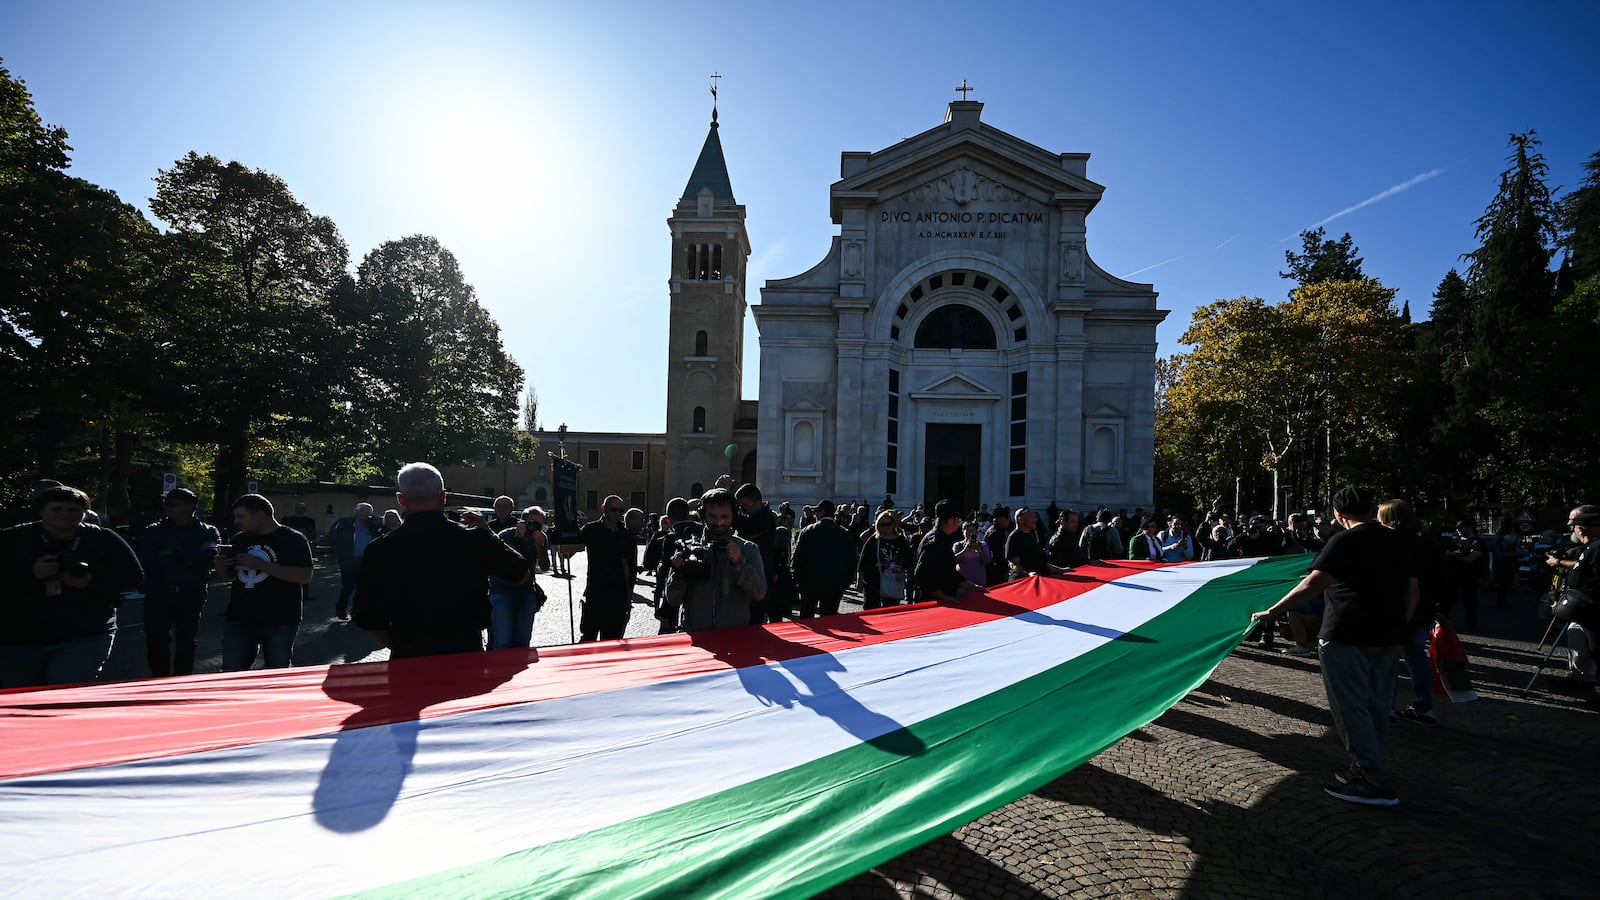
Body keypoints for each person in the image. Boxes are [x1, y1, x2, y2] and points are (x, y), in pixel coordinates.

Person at [1250, 486, 1418, 806]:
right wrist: (1401, 626)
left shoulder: (1343, 541)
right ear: (1370, 509)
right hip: (1387, 637)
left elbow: (1314, 583)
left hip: (1347, 635)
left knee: (1350, 706)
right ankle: (1365, 765)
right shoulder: (1399, 540)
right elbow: (1413, 589)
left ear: (1339, 515)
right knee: (1377, 705)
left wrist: (1272, 611)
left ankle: (1373, 780)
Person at [355, 463, 530, 658]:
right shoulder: (474, 539)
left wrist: (401, 644)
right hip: (464, 651)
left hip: (408, 654)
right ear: (443, 496)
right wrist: (488, 533)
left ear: (400, 499)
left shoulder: (379, 549)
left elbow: (369, 617)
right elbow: (522, 573)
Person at [0, 484, 143, 688]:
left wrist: (91, 582)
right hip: (19, 638)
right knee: (23, 704)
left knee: (66, 699)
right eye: (56, 509)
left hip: (84, 635)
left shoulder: (103, 539)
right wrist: (29, 575)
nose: (65, 514)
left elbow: (134, 577)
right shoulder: (11, 539)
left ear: (84, 513)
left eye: (73, 509)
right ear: (41, 511)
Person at [214, 494, 313, 671]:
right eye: (235, 516)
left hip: (280, 619)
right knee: (231, 673)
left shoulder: (294, 539)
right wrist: (221, 567)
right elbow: (230, 578)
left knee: (276, 674)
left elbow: (304, 575)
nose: (237, 521)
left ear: (260, 515)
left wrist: (261, 565)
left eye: (241, 516)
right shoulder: (240, 539)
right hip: (239, 618)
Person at [135, 487, 220, 676]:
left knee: (187, 640)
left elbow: (210, 555)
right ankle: (159, 681)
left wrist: (173, 552)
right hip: (158, 592)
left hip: (191, 593)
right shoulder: (154, 530)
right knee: (156, 641)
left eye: (172, 504)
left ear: (191, 507)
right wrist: (188, 556)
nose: (167, 507)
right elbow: (147, 558)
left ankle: (183, 680)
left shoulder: (208, 531)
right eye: (165, 503)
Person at [663, 488, 767, 631]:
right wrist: (678, 574)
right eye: (713, 516)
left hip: (734, 636)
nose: (719, 522)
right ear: (703, 516)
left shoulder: (748, 550)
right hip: (697, 637)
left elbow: (759, 593)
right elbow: (673, 600)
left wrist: (740, 564)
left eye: (724, 516)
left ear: (734, 516)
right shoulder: (689, 549)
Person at [573, 494, 640, 641]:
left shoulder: (627, 535)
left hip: (618, 596)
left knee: (613, 641)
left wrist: (629, 598)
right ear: (604, 509)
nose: (617, 514)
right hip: (595, 593)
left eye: (620, 510)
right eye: (613, 510)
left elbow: (631, 569)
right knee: (588, 638)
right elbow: (571, 550)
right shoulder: (591, 530)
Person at [1547, 506, 1600, 687]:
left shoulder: (1597, 548)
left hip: (1593, 608)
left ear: (1581, 528)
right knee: (1582, 643)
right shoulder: (1589, 546)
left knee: (1596, 649)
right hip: (1583, 609)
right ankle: (1581, 679)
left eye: (1574, 525)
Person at [490, 509, 548, 650]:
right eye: (531, 522)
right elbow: (503, 562)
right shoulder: (506, 535)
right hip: (502, 591)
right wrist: (518, 537)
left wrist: (539, 547)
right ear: (522, 521)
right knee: (502, 641)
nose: (533, 527)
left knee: (522, 642)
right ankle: (500, 671)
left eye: (538, 525)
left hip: (526, 593)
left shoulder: (540, 538)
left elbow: (545, 567)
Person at [791, 499, 857, 617]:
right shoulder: (844, 533)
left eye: (817, 511)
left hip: (809, 583)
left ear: (822, 512)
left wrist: (797, 579)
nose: (815, 514)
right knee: (828, 618)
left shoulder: (808, 531)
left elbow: (797, 558)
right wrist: (845, 583)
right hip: (834, 584)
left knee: (807, 618)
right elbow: (851, 561)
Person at [916, 501, 986, 602]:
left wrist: (973, 587)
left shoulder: (944, 539)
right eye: (957, 519)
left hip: (947, 597)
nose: (958, 522)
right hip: (934, 601)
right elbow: (922, 574)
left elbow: (948, 571)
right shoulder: (934, 542)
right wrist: (942, 597)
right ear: (949, 520)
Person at [733, 483, 780, 624]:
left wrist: (727, 506)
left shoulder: (765, 518)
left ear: (758, 502)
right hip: (749, 574)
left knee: (754, 621)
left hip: (761, 576)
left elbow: (747, 526)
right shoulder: (759, 516)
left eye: (744, 507)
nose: (742, 512)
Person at [328, 502, 381, 620]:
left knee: (362, 588)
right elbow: (334, 538)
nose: (365, 514)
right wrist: (340, 554)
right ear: (356, 511)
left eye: (368, 512)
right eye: (363, 511)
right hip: (349, 560)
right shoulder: (345, 523)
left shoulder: (372, 526)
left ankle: (355, 612)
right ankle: (341, 610)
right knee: (347, 586)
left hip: (366, 562)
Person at [857, 510, 914, 610]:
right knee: (871, 609)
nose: (886, 527)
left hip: (893, 580)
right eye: (882, 525)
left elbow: (909, 560)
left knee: (890, 610)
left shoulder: (901, 541)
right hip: (873, 581)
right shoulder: (873, 540)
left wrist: (903, 572)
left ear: (894, 524)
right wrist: (860, 579)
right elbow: (863, 561)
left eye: (888, 524)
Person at [1007, 507, 1069, 578]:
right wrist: (1028, 574)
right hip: (1023, 582)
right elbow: (1014, 564)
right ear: (1020, 520)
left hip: (1039, 578)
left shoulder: (1031, 537)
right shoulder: (1013, 538)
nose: (1036, 520)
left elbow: (1042, 563)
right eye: (1032, 517)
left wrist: (1061, 570)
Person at [953, 520, 992, 596]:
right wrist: (965, 550)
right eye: (967, 531)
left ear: (976, 532)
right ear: (963, 531)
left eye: (972, 530)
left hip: (979, 583)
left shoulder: (983, 545)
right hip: (963, 584)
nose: (970, 533)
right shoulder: (958, 545)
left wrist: (979, 550)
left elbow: (986, 562)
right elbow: (953, 561)